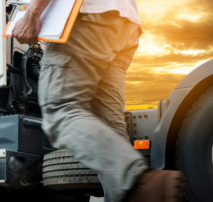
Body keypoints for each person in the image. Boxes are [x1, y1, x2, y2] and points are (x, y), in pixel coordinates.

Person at [12, 0, 183, 201]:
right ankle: (135, 187)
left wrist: (32, 13)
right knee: (111, 127)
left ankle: (135, 178)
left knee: (59, 109)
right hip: (123, 23)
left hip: (86, 18)